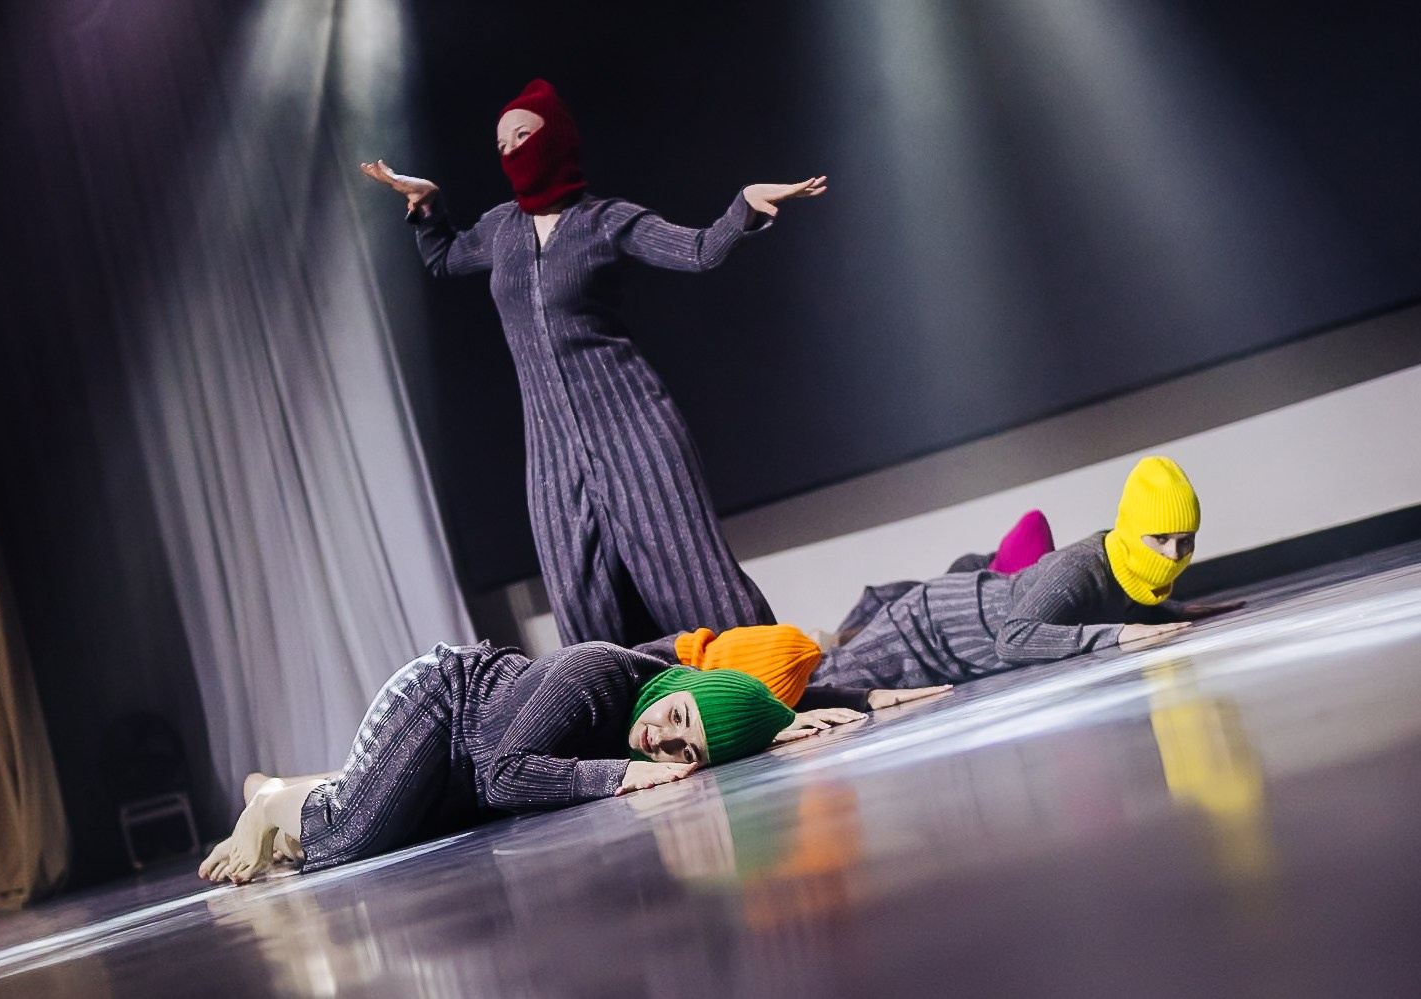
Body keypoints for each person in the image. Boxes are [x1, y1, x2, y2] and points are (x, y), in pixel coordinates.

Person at [360, 79, 827, 647]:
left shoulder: (606, 219)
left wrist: (743, 206)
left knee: (696, 580)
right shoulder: (501, 229)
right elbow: (444, 258)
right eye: (502, 145)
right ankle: (623, 701)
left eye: (522, 136)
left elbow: (699, 250)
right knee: (584, 602)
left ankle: (769, 681)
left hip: (633, 425)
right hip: (551, 447)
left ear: (554, 137)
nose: (512, 151)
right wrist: (429, 202)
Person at [198, 636, 933, 885]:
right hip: (441, 707)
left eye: (684, 751)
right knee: (356, 835)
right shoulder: (596, 675)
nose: (660, 741)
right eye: (675, 721)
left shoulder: (672, 698)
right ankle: (269, 802)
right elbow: (503, 775)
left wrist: (855, 699)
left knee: (368, 830)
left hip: (466, 767)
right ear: (676, 690)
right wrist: (618, 775)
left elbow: (745, 698)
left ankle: (290, 791)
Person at [808, 456, 1244, 691]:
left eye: (1185, 541)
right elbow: (1013, 639)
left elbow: (1116, 603)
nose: (1173, 554)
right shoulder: (1080, 565)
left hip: (953, 649)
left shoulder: (1124, 567)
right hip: (926, 629)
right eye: (1160, 539)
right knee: (815, 688)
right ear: (1133, 530)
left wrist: (1172, 610)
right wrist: (1116, 634)